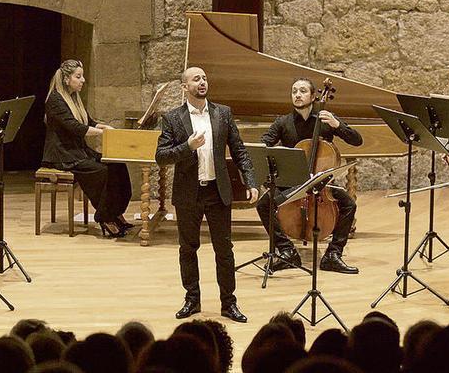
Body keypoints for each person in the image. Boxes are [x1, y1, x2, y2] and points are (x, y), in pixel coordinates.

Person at [155, 67, 259, 323]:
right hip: (188, 193)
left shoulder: (222, 113)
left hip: (216, 190)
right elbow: (161, 156)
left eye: (204, 78)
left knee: (224, 250)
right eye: (196, 79)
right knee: (188, 248)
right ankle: (192, 300)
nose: (202, 82)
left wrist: (251, 181)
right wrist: (187, 146)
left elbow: (239, 150)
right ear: (184, 87)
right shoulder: (172, 118)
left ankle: (229, 303)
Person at [258, 78, 363, 274]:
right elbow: (264, 142)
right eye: (294, 91)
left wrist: (337, 125)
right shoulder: (283, 122)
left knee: (349, 204)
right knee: (264, 204)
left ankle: (333, 255)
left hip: (320, 184)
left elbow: (357, 140)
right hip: (293, 183)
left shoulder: (326, 119)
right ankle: (287, 251)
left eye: (303, 91)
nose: (297, 95)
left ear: (313, 96)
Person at [42, 59, 133, 237]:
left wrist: (104, 127)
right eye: (78, 76)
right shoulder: (55, 99)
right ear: (67, 79)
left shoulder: (73, 97)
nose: (83, 80)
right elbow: (74, 127)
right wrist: (100, 134)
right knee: (101, 171)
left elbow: (88, 122)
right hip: (63, 155)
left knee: (117, 165)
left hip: (78, 151)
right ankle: (105, 217)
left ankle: (115, 212)